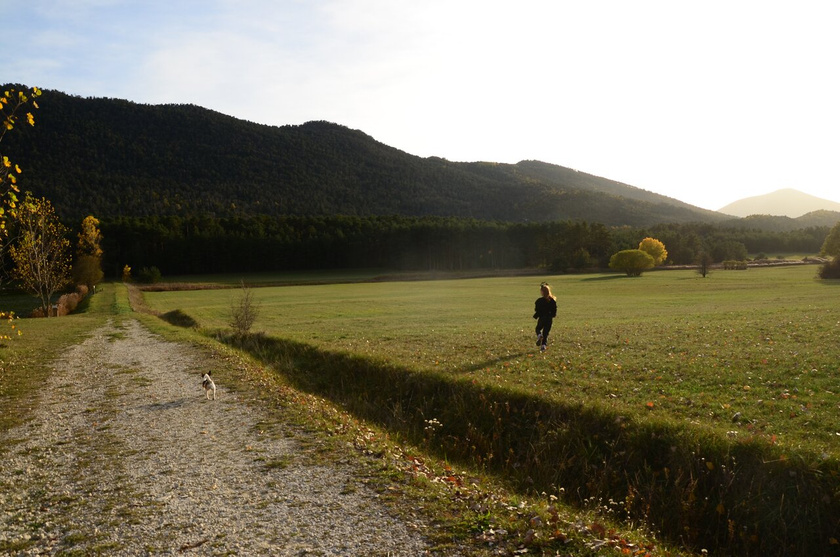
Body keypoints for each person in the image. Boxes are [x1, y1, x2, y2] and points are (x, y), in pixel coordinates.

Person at [533, 282, 557, 352]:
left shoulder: (539, 301)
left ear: (542, 292)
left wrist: (536, 315)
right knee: (546, 333)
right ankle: (543, 346)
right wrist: (552, 315)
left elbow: (537, 310)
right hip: (549, 319)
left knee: (538, 328)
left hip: (542, 318)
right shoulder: (552, 300)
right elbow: (554, 310)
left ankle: (539, 335)